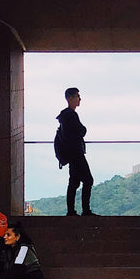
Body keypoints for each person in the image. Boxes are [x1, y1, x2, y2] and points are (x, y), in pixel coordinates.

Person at [55, 86, 95, 216]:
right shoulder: (70, 115)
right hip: (76, 153)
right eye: (77, 96)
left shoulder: (65, 116)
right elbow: (80, 131)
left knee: (74, 182)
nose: (79, 99)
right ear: (70, 98)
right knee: (87, 180)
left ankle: (72, 211)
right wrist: (82, 131)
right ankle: (85, 210)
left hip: (72, 154)